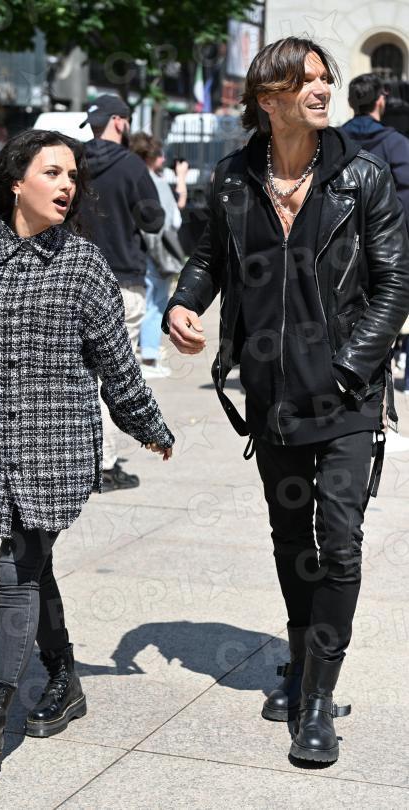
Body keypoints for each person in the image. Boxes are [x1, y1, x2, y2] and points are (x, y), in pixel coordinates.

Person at [164, 37, 409, 764]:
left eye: (325, 77)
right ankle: (300, 664)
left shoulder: (362, 176)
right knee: (290, 539)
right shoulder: (233, 178)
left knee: (339, 541)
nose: (322, 88)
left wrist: (348, 370)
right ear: (268, 99)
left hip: (346, 395)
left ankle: (318, 699)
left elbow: (395, 283)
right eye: (305, 81)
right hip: (271, 394)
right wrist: (183, 303)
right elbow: (207, 257)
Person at [0, 128, 174, 773]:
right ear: (16, 181)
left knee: (18, 569)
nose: (67, 185)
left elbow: (116, 364)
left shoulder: (84, 264)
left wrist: (148, 425)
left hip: (57, 450)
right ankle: (64, 677)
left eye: (72, 176)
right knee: (34, 565)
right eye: (52, 172)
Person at [79, 94, 165, 491]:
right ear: (120, 121)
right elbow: (153, 220)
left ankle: (78, 455)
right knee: (114, 374)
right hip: (121, 278)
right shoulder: (131, 165)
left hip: (74, 277)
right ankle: (104, 463)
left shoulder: (73, 161)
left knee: (78, 371)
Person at [130, 132, 188, 378]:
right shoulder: (157, 182)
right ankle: (150, 357)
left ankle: (141, 354)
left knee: (138, 304)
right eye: (159, 154)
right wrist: (181, 178)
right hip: (157, 252)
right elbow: (174, 219)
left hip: (133, 250)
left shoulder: (129, 178)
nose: (163, 159)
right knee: (155, 304)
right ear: (150, 156)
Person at [341, 73, 409, 227]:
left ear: (350, 102)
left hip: (341, 232)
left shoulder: (332, 141)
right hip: (386, 231)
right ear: (380, 101)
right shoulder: (397, 144)